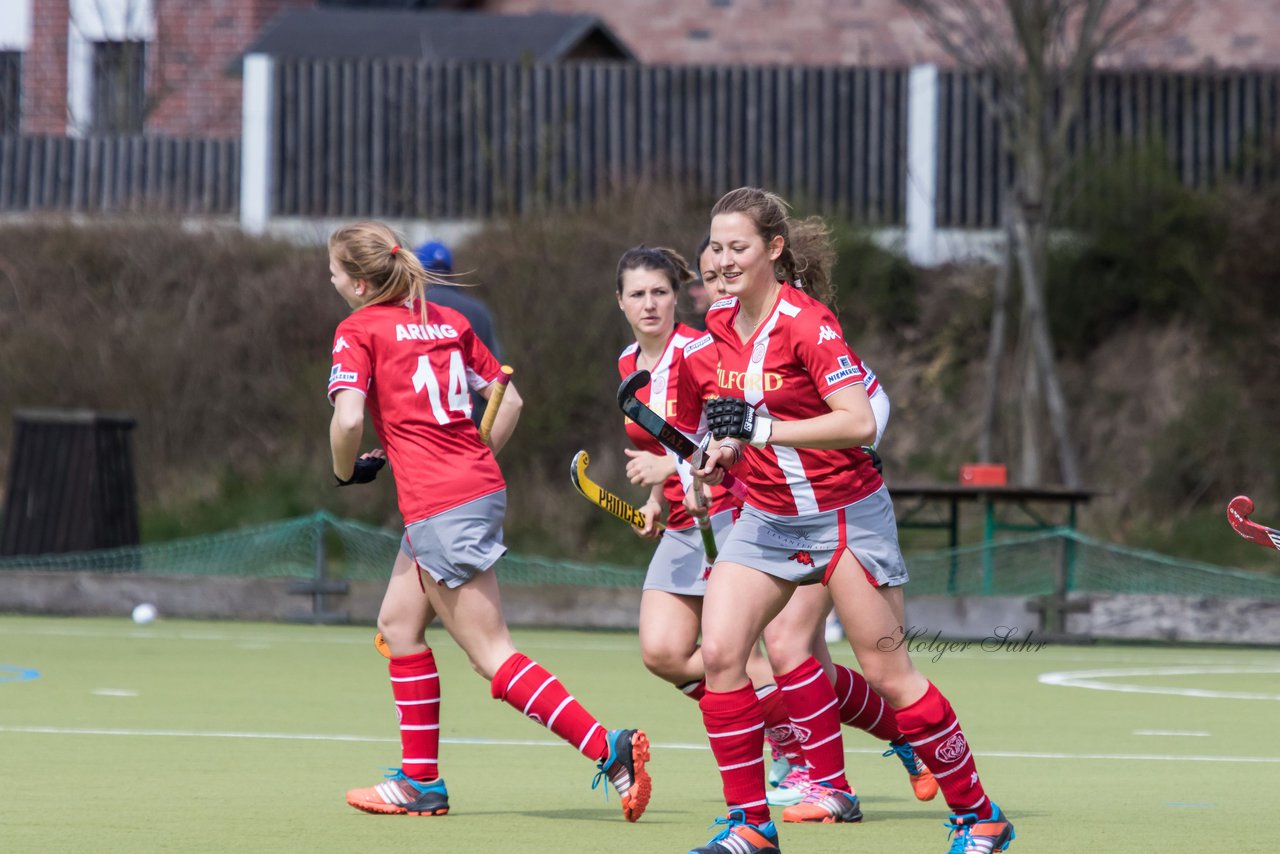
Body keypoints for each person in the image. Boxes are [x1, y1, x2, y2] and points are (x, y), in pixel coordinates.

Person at [686, 189, 1014, 854]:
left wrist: (762, 428)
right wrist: (719, 456)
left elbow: (859, 421)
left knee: (890, 676)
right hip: (768, 518)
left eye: (737, 247)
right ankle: (751, 826)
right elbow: (739, 424)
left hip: (844, 519)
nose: (721, 260)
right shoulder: (719, 327)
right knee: (720, 656)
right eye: (715, 247)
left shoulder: (809, 323)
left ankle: (981, 817)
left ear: (774, 251)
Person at [327, 221, 651, 822]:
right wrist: (470, 463)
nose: (332, 281)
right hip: (463, 492)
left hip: (440, 503)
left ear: (363, 282)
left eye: (336, 273)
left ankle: (608, 749)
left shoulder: (357, 329)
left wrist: (345, 471)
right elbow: (512, 399)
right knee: (398, 626)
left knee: (491, 654)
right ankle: (419, 781)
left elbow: (348, 421)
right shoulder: (451, 323)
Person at [691, 238, 937, 816]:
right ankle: (835, 779)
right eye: (704, 273)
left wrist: (814, 453)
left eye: (724, 265)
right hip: (774, 516)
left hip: (836, 510)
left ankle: (858, 769)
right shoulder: (715, 339)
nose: (716, 279)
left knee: (793, 645)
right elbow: (721, 432)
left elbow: (867, 407)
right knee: (742, 650)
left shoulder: (800, 324)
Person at [612, 244, 804, 779]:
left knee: (736, 656)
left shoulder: (700, 350)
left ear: (677, 296)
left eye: (659, 292)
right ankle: (777, 727)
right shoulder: (628, 363)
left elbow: (724, 432)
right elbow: (661, 444)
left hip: (727, 512)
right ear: (620, 303)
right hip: (680, 520)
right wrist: (654, 498)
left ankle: (795, 749)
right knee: (663, 653)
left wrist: (680, 471)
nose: (649, 304)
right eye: (637, 294)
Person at [415, 239, 502, 425]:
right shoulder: (478, 311)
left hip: (417, 428)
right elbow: (497, 376)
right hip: (468, 424)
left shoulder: (408, 310)